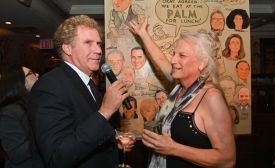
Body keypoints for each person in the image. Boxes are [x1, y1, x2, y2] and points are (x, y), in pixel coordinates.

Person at [28, 15, 133, 168]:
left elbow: (86, 130)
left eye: (98, 44)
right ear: (67, 48)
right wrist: (105, 111)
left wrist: (113, 143)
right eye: (88, 43)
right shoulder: (49, 87)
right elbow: (58, 156)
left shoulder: (88, 83)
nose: (98, 50)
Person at [130, 17, 236, 167]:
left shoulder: (211, 97)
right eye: (174, 54)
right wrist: (143, 34)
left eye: (182, 56)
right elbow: (160, 58)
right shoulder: (180, 86)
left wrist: (174, 149)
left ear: (202, 63)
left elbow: (227, 159)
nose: (173, 60)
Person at [0, 65, 43, 168]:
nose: (37, 74)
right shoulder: (8, 113)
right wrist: (46, 135)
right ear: (22, 82)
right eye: (31, 72)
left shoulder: (32, 104)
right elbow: (17, 153)